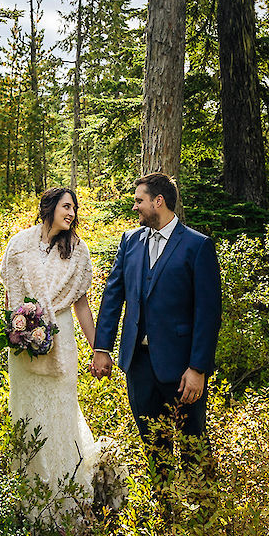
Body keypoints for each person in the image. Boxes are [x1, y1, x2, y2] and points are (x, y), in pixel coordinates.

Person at [0, 186, 124, 525]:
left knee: (61, 414)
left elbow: (81, 304)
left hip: (62, 336)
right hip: (24, 341)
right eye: (66, 206)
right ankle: (31, 503)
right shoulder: (20, 243)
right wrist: (17, 328)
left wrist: (100, 349)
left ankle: (66, 501)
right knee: (26, 416)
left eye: (74, 208)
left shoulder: (78, 251)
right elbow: (10, 294)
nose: (71, 213)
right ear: (50, 207)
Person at [90, 173, 221, 489]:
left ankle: (204, 517)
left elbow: (208, 313)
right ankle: (164, 512)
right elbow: (113, 294)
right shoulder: (130, 241)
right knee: (153, 446)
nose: (135, 207)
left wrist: (197, 369)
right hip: (139, 363)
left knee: (193, 444)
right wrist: (102, 348)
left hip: (181, 369)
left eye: (139, 200)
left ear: (158, 201)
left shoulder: (197, 246)